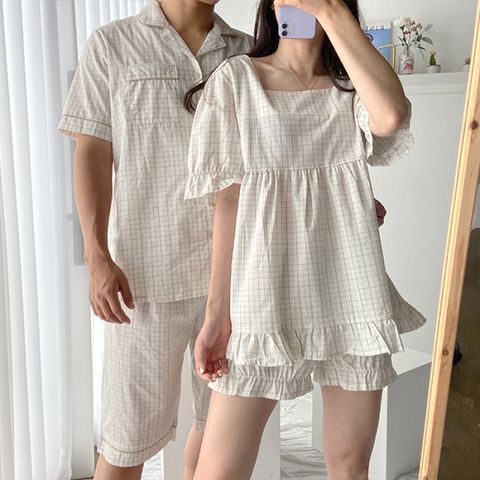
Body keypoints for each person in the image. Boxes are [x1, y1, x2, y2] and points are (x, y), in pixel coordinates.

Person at [183, 0, 427, 479]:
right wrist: (216, 315)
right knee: (219, 471)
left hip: (351, 290)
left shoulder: (351, 89)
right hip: (263, 294)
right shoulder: (237, 80)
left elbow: (392, 117)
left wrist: (331, 16)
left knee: (350, 465)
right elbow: (228, 204)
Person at [57, 1, 253, 479]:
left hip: (236, 280)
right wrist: (96, 256)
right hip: (145, 279)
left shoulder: (247, 51)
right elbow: (92, 152)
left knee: (217, 433)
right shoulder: (112, 44)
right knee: (126, 441)